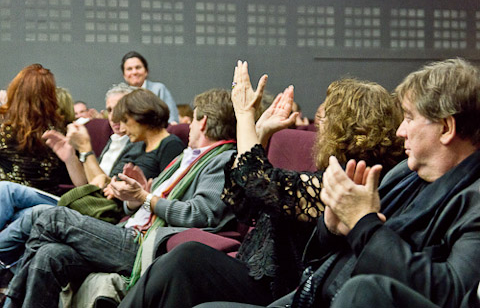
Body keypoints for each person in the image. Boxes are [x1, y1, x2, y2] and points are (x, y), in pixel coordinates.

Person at [191, 58, 480, 308]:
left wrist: (362, 222)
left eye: (409, 118)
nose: (401, 131)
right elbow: (325, 252)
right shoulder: (405, 173)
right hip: (312, 293)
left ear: (446, 128)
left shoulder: (474, 201)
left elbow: (452, 292)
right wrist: (332, 226)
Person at [116, 60, 405, 308]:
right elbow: (241, 197)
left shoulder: (351, 182)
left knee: (185, 261)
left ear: (348, 126)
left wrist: (244, 116)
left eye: (325, 119)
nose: (320, 129)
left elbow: (258, 181)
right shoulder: (330, 173)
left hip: (282, 289)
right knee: (183, 262)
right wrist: (262, 132)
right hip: (255, 272)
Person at [5, 88, 237, 308]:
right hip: (129, 229)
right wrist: (137, 195)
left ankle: (10, 302)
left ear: (203, 122)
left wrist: (145, 196)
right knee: (49, 255)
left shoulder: (222, 160)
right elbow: (138, 204)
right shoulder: (187, 157)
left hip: (144, 243)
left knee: (51, 218)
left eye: (194, 119)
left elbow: (200, 214)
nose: (190, 126)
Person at [0, 64, 70, 196]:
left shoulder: (4, 130)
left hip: (14, 201)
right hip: (46, 202)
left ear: (15, 91)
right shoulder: (59, 131)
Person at [121, 51, 179, 124]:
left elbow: (172, 120)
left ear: (146, 71)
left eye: (138, 67)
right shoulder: (121, 95)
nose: (134, 72)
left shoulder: (159, 89)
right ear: (124, 75)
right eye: (129, 69)